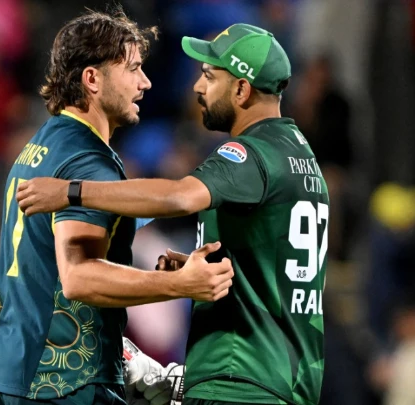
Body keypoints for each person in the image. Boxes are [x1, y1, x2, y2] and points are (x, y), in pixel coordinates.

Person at [16, 23, 330, 405]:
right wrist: (190, 270)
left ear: (242, 89)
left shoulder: (250, 154)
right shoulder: (301, 158)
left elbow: (181, 197)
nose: (198, 88)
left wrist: (71, 192)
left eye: (209, 77)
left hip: (240, 380)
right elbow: (276, 265)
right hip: (287, 380)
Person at [0, 9, 234, 405]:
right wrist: (178, 286)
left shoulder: (41, 146)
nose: (145, 82)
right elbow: (79, 278)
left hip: (16, 372)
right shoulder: (87, 162)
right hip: (64, 382)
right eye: (133, 69)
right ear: (92, 78)